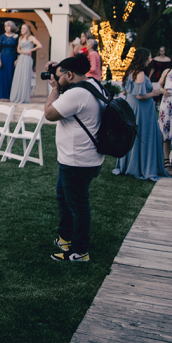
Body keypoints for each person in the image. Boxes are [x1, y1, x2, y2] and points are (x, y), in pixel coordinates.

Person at [42, 54, 106, 263]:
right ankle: (65, 239)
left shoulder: (77, 94)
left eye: (59, 75)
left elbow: (50, 114)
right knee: (65, 198)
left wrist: (54, 89)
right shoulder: (93, 84)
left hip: (78, 160)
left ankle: (80, 251)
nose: (56, 79)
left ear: (69, 75)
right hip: (81, 158)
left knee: (78, 205)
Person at [112, 49, 169, 181]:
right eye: (149, 58)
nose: (150, 60)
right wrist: (156, 93)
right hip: (142, 109)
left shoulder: (131, 71)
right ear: (143, 59)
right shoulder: (140, 73)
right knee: (143, 135)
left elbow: (126, 92)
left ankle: (131, 165)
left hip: (134, 107)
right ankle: (142, 167)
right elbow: (140, 96)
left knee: (135, 135)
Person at [10, 22, 40, 104]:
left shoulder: (31, 38)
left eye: (24, 28)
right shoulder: (20, 38)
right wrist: (23, 52)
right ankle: (16, 96)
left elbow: (39, 45)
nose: (22, 30)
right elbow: (18, 50)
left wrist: (30, 50)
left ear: (28, 30)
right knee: (18, 76)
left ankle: (23, 97)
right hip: (22, 57)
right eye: (22, 28)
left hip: (27, 58)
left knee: (25, 76)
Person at [0, 20, 19, 101]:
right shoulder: (2, 36)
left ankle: (9, 96)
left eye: (8, 26)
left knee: (10, 76)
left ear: (12, 27)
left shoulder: (16, 36)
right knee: (0, 76)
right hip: (3, 57)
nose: (7, 28)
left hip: (12, 58)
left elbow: (18, 49)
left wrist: (18, 59)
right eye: (5, 26)